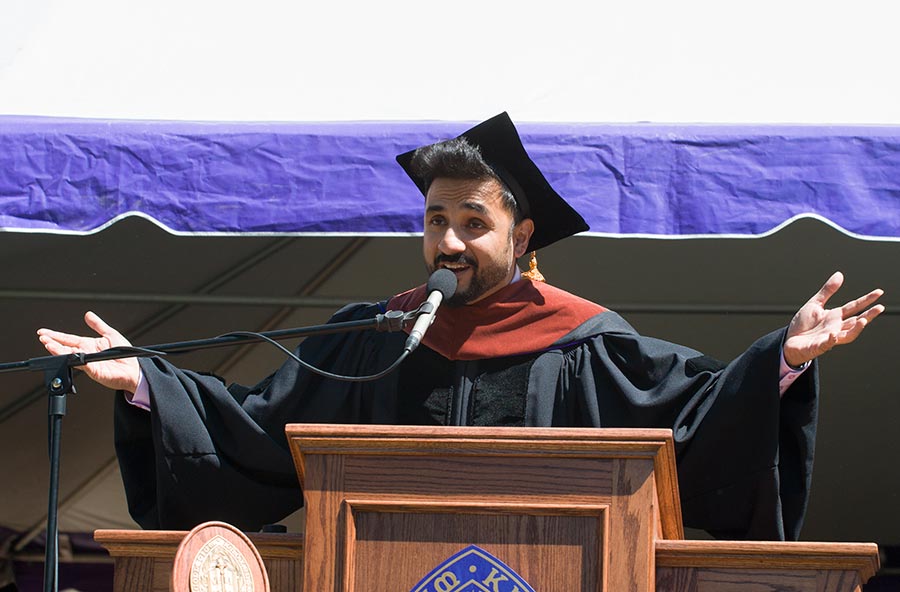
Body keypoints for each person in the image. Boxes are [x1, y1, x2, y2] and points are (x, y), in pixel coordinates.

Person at [37, 113, 884, 541]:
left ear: (522, 236)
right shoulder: (373, 337)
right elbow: (259, 434)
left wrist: (780, 360)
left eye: (472, 222)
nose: (448, 240)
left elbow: (698, 424)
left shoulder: (586, 343)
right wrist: (147, 382)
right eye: (436, 219)